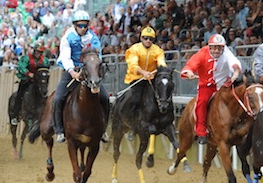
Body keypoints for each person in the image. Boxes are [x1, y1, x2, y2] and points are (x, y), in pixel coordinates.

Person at [53, 10, 110, 143]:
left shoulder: (93, 37)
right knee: (58, 98)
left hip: (89, 71)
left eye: (85, 25)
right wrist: (73, 72)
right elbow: (65, 57)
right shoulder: (68, 37)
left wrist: (92, 69)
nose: (83, 28)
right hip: (72, 72)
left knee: (105, 98)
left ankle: (103, 130)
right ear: (75, 25)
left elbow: (98, 55)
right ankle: (59, 130)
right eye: (80, 25)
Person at [181, 34, 242, 144]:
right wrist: (189, 72)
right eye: (214, 47)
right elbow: (192, 64)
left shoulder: (227, 53)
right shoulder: (202, 53)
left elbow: (233, 62)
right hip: (206, 86)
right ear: (209, 47)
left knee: (237, 99)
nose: (217, 50)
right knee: (201, 103)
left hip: (224, 86)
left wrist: (236, 72)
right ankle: (201, 131)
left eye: (219, 48)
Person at [124, 26, 167, 107]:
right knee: (136, 99)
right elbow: (133, 65)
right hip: (136, 79)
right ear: (141, 38)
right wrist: (143, 73)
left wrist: (164, 69)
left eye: (151, 39)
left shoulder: (158, 50)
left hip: (151, 78)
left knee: (162, 94)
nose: (148, 41)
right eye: (146, 38)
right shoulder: (134, 49)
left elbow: (161, 62)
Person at [11, 43, 50, 125]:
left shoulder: (44, 60)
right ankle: (15, 114)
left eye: (40, 52)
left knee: (44, 92)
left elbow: (47, 67)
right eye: (37, 52)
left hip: (38, 81)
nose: (38, 54)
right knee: (19, 94)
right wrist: (28, 73)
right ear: (34, 51)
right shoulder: (26, 58)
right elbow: (21, 66)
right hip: (27, 80)